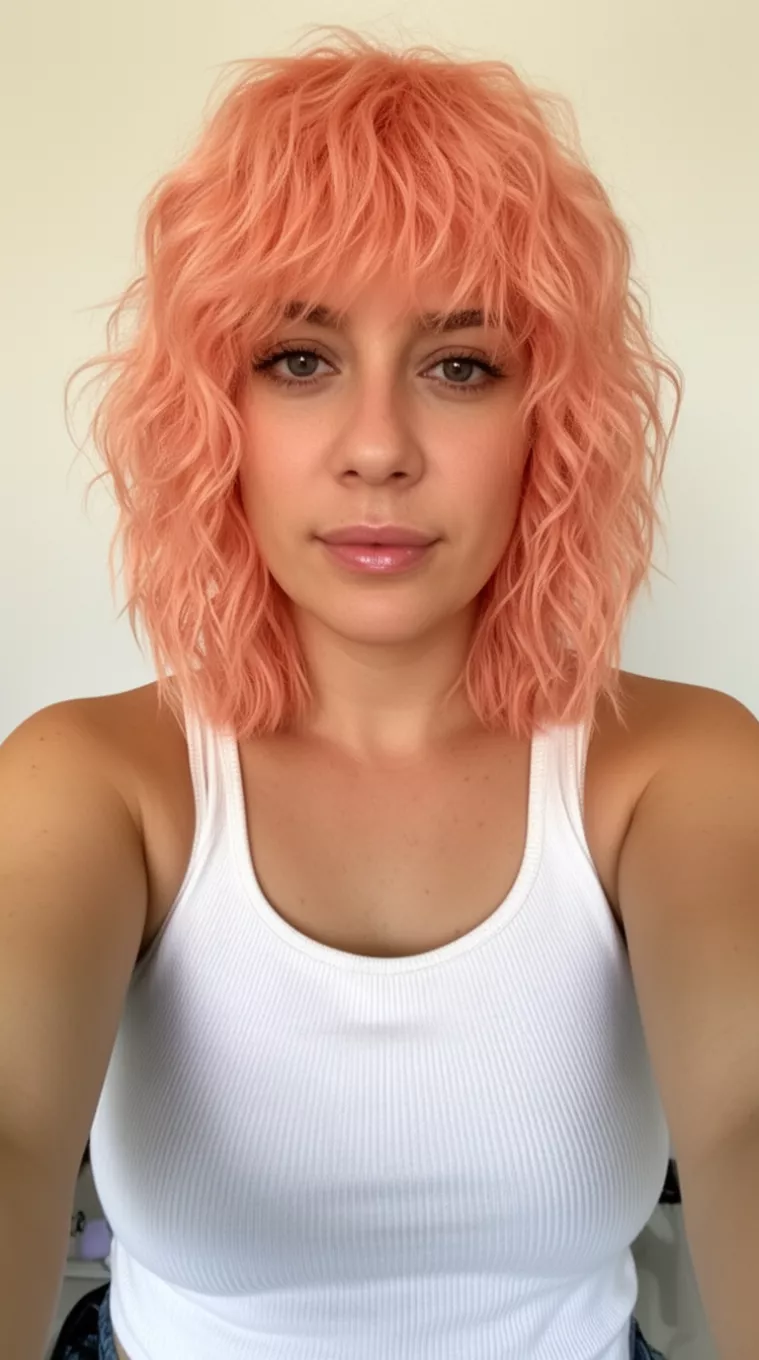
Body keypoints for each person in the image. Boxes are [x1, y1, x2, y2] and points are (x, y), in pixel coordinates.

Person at [3, 23, 758, 1360]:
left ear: (553, 425)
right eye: (296, 360)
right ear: (208, 416)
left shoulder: (676, 766)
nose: (375, 450)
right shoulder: (91, 778)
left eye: (459, 366)